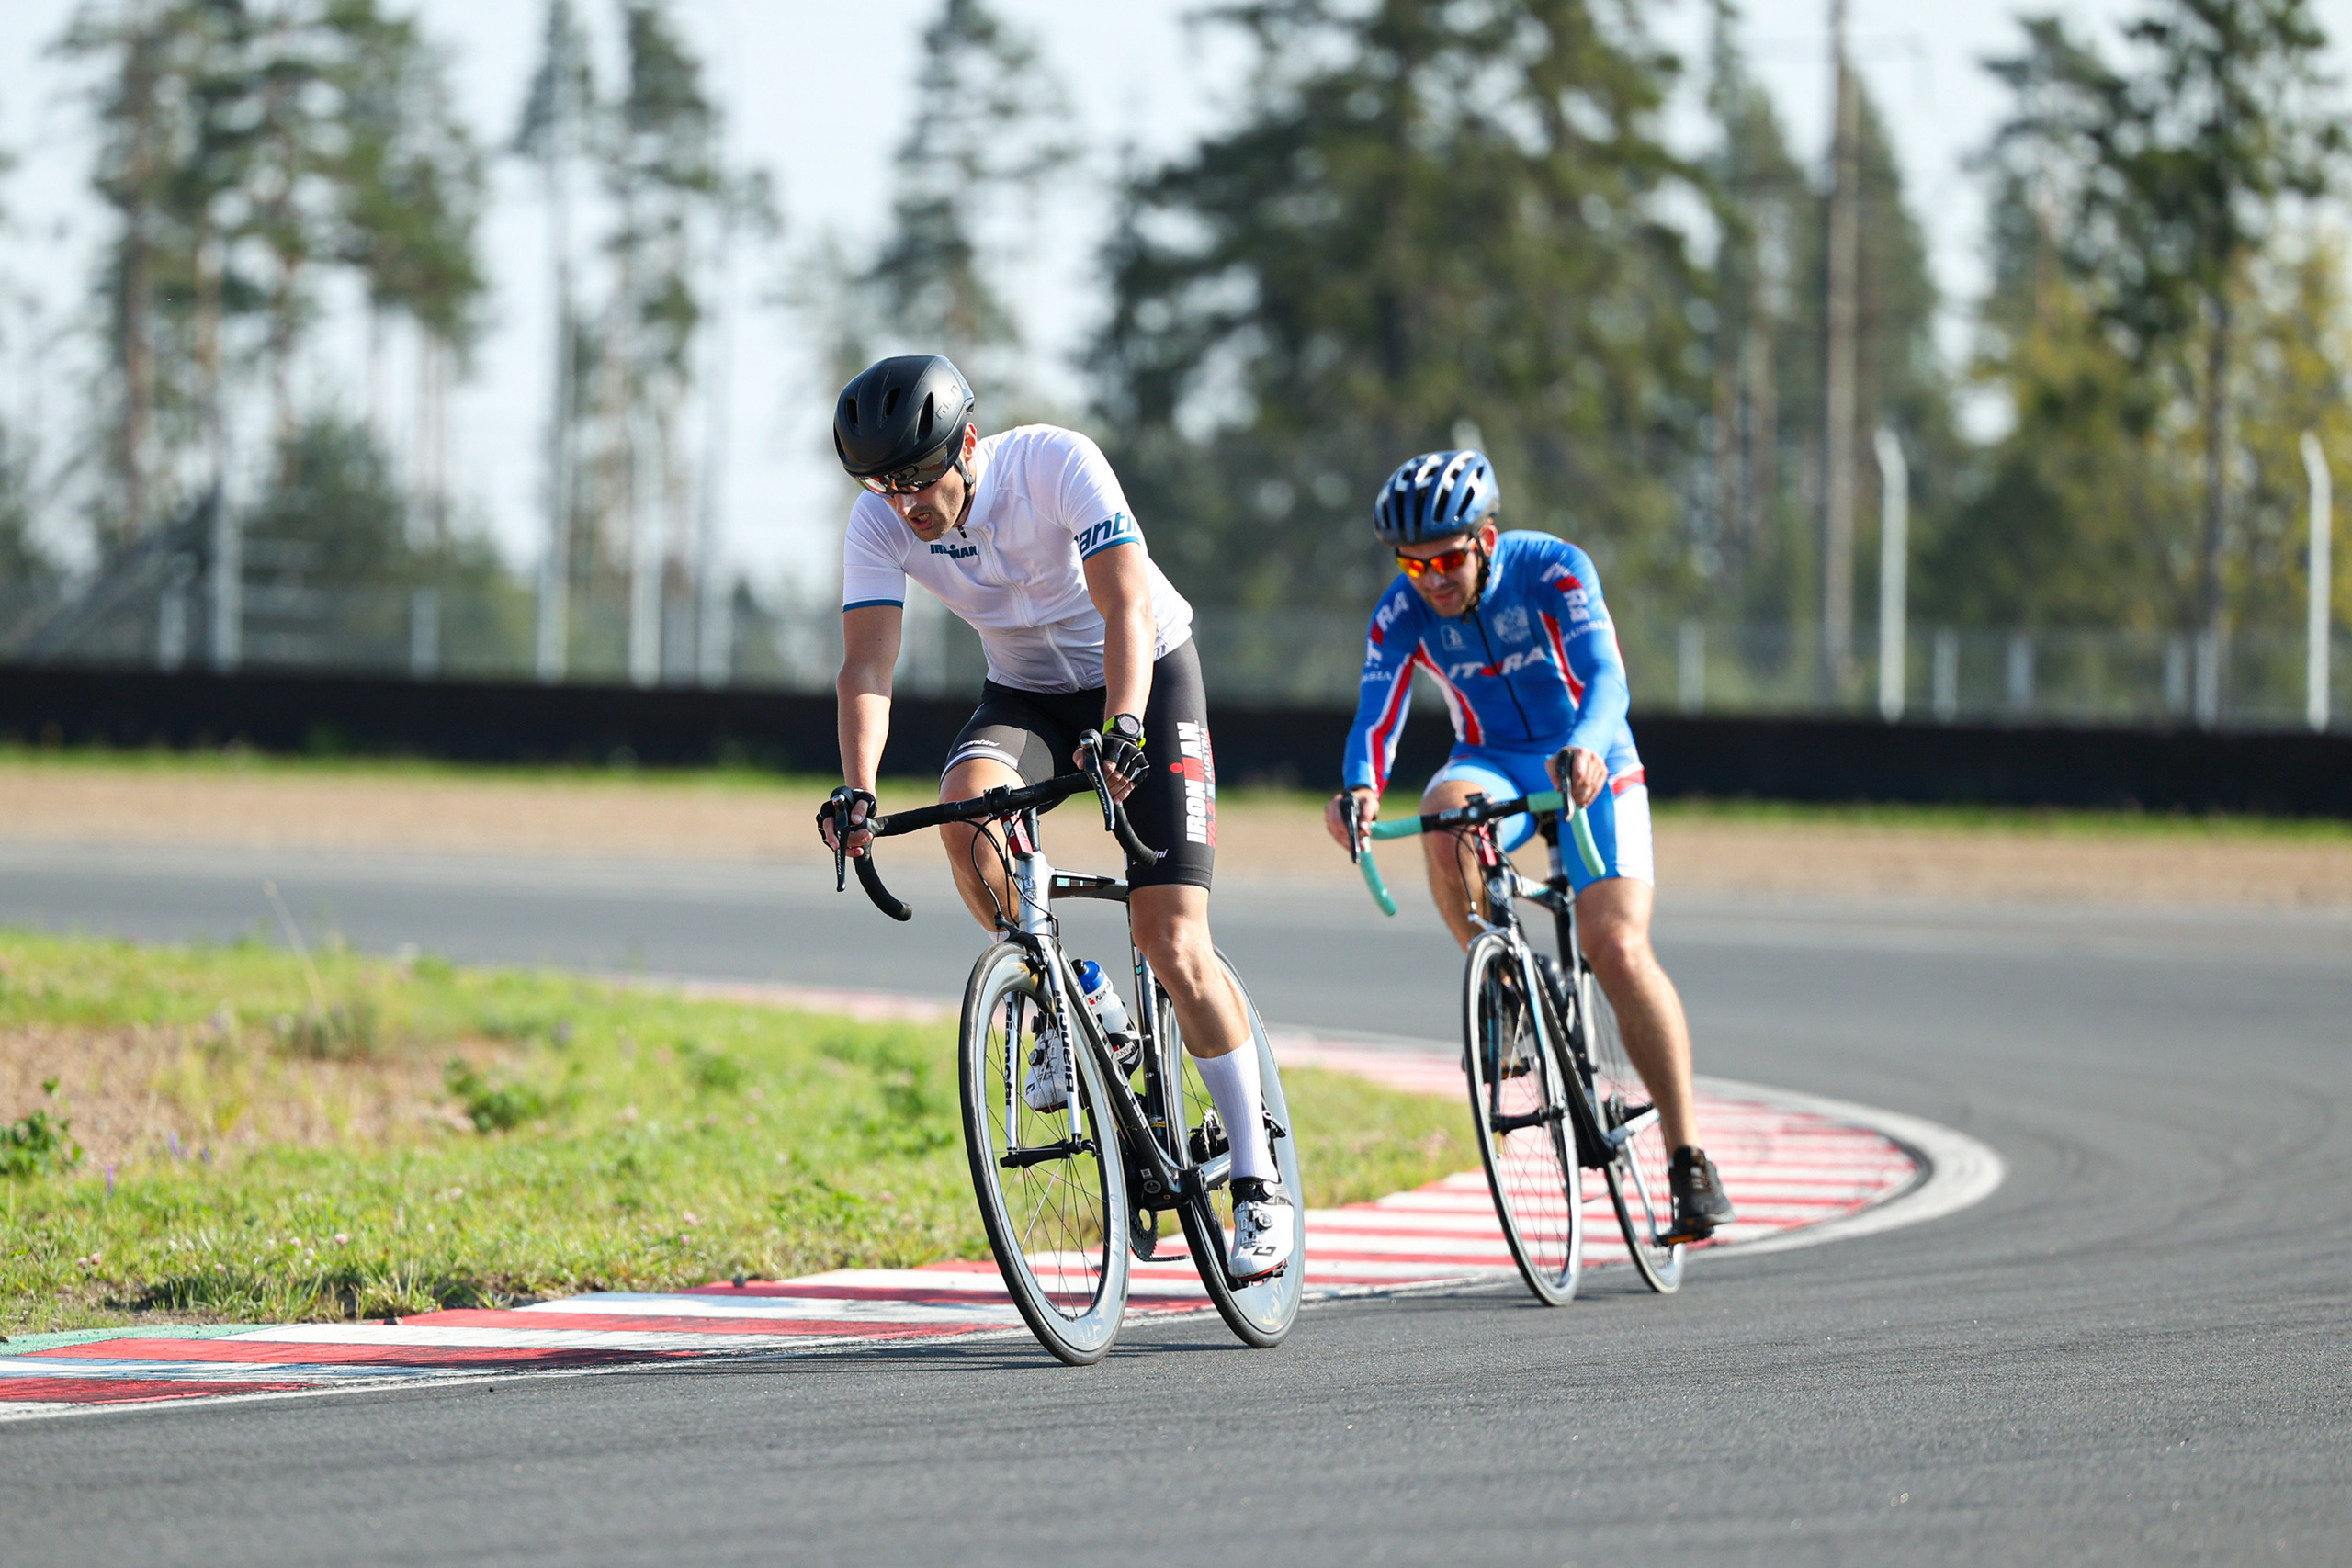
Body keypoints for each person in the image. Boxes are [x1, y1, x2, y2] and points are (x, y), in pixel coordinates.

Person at [815, 354, 1291, 1280]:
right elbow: (867, 666)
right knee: (964, 808)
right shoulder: (877, 521)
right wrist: (858, 787)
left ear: (967, 445)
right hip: (1025, 694)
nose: (903, 501)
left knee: (1171, 938)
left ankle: (1256, 1179)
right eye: (882, 483)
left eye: (918, 477)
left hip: (1143, 676)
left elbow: (1122, 603)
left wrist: (1121, 725)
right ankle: (1063, 993)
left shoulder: (1056, 465)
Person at [1322, 449, 1735, 1243]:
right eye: (1415, 563)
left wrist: (1584, 744)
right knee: (1444, 815)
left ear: (1486, 538)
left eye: (1447, 558)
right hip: (1494, 763)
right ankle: (1505, 985)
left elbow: (1607, 679)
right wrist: (1358, 788)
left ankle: (1688, 1158)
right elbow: (1375, 717)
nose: (1433, 579)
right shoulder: (1401, 612)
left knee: (1614, 944)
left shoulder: (1555, 571)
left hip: (1591, 753)